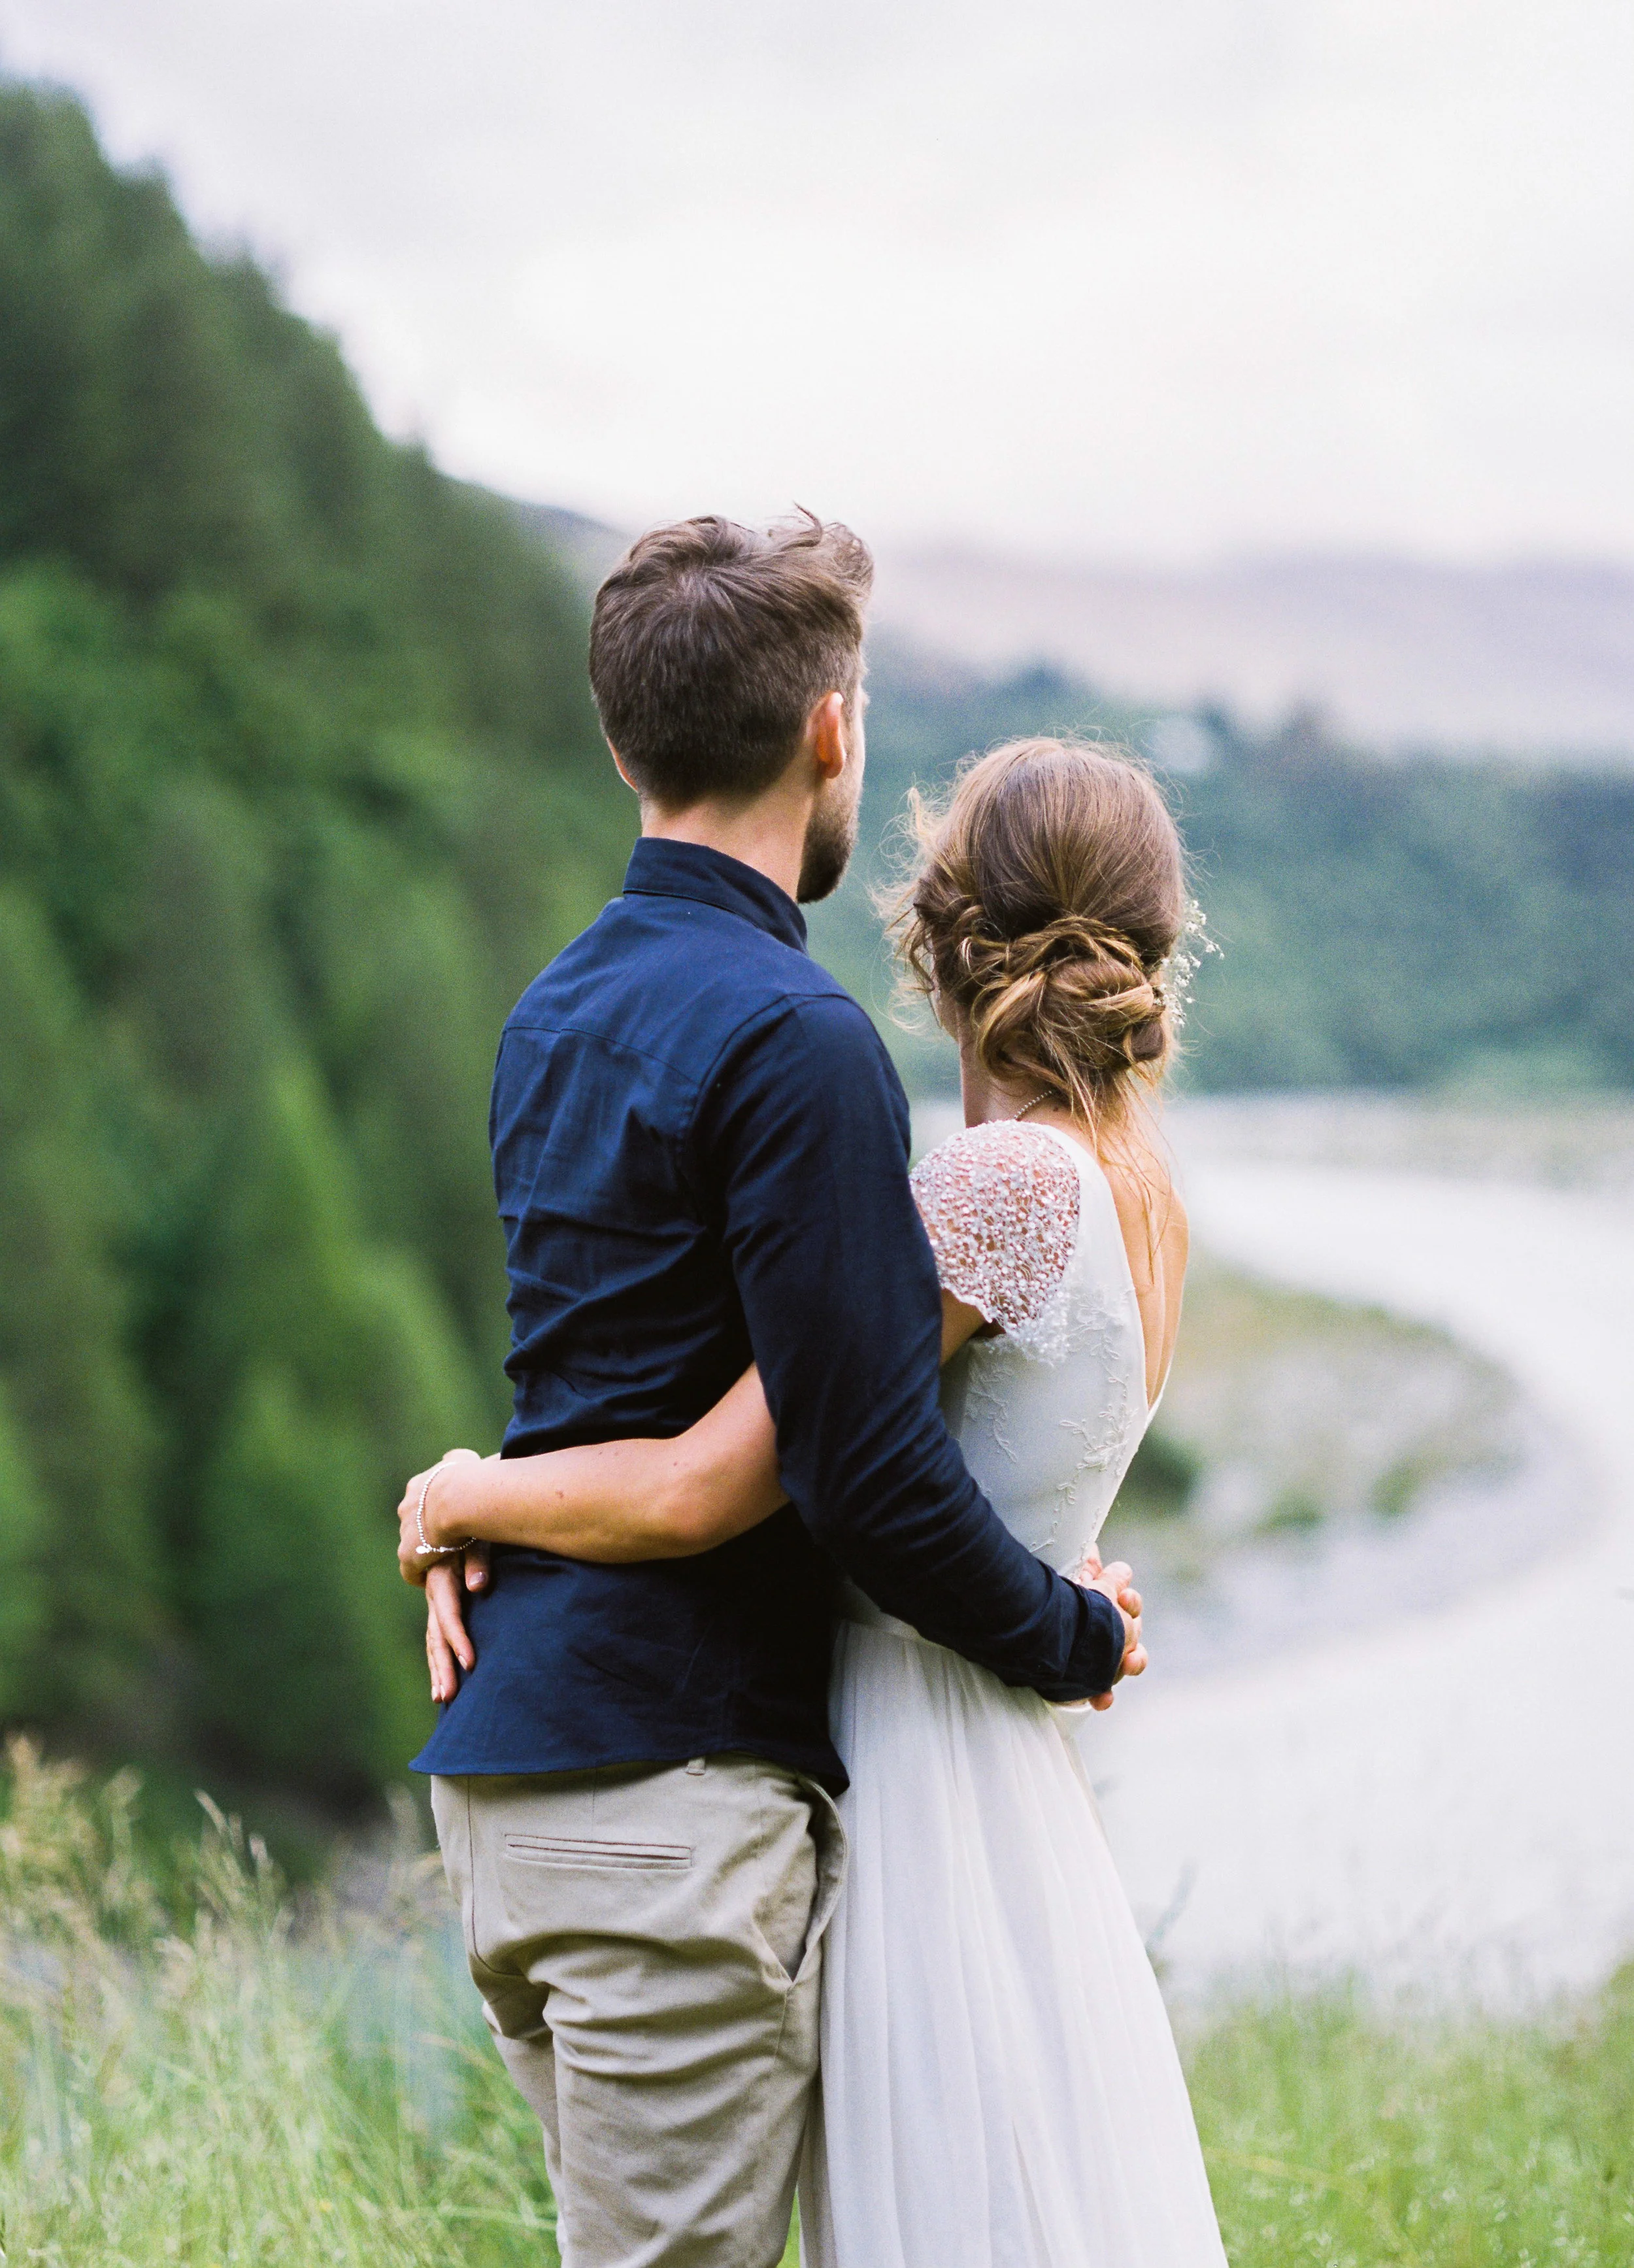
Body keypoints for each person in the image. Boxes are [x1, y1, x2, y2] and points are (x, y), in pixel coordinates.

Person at [405, 515, 1142, 2268]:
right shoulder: (797, 1040)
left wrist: (466, 1494)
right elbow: (862, 1465)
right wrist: (1071, 1637)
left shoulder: (550, 1009)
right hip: (668, 1806)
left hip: (514, 1785)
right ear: (829, 730)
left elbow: (612, 1392)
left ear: (618, 740)